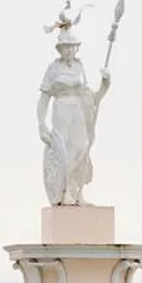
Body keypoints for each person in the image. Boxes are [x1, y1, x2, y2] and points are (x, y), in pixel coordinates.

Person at [36, 13, 111, 206]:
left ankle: (77, 191)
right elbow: (44, 98)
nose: (69, 51)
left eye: (72, 47)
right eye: (65, 47)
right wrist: (41, 124)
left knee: (82, 148)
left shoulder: (79, 67)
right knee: (65, 151)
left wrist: (105, 85)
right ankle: (65, 190)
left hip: (78, 111)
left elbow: (91, 98)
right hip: (61, 109)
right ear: (60, 49)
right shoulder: (53, 68)